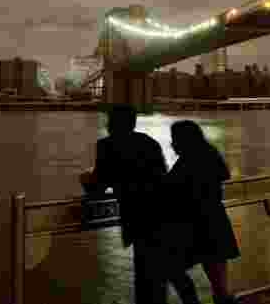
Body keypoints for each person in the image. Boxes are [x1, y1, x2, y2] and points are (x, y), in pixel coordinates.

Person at [78, 104, 169, 304]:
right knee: (158, 276)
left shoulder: (106, 145)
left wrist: (84, 178)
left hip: (137, 216)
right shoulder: (149, 143)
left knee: (144, 274)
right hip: (162, 214)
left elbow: (99, 185)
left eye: (109, 120)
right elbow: (163, 177)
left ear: (112, 124)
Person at [161, 120, 241, 304]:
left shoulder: (188, 160)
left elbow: (169, 186)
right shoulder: (209, 154)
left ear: (183, 140)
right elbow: (225, 174)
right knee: (218, 275)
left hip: (195, 223)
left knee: (170, 265)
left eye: (174, 139)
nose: (172, 144)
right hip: (214, 218)